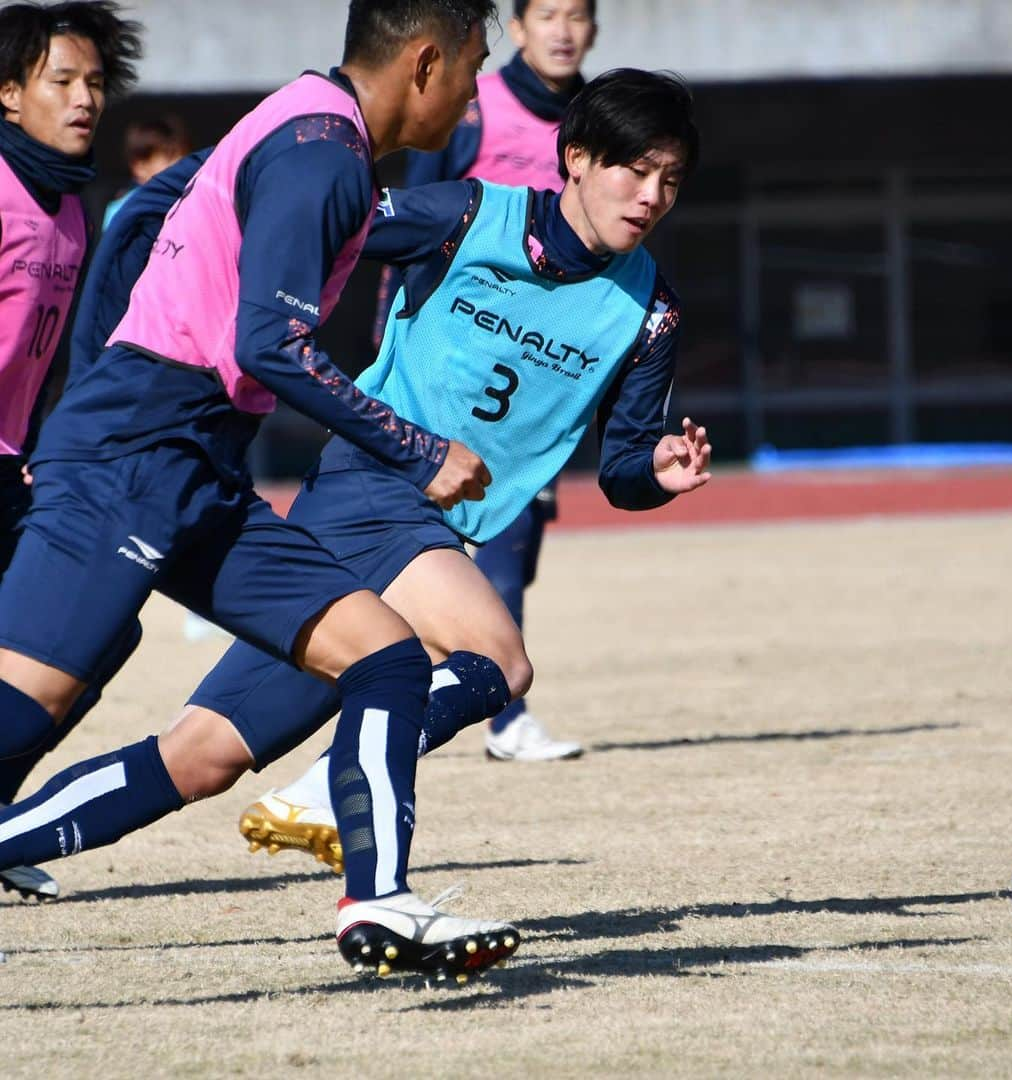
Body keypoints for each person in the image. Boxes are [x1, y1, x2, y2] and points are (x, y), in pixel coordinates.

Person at [0, 71, 708, 983]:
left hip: (420, 529)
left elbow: (620, 466)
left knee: (200, 758)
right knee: (500, 659)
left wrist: (654, 473)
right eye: (633, 171)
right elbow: (327, 226)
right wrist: (185, 211)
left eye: (671, 181)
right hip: (372, 486)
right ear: (575, 158)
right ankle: (338, 811)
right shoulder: (467, 216)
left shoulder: (650, 312)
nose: (650, 197)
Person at [0, 0, 523, 985]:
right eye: (473, 67)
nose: (474, 94)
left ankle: (380, 904)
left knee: (384, 656)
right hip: (133, 455)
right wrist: (417, 449)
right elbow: (268, 346)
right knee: (29, 709)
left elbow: (151, 214)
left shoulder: (312, 125)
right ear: (425, 63)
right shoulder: (323, 154)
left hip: (196, 463)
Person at [370, 0, 598, 763]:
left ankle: (466, 683)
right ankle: (501, 710)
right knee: (473, 533)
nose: (564, 30)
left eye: (578, 15)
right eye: (548, 14)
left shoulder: (601, 126)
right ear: (522, 29)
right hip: (456, 358)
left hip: (538, 370)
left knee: (516, 538)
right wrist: (391, 332)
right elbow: (409, 225)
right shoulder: (475, 110)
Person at [0, 0, 143, 900]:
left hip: (15, 467)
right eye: (63, 81)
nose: (85, 98)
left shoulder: (72, 206)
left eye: (96, 82)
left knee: (100, 630)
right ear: (8, 93)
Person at [101, 112, 191, 229]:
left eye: (185, 158)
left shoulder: (193, 202)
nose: (181, 166)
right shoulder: (123, 210)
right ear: (139, 167)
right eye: (170, 157)